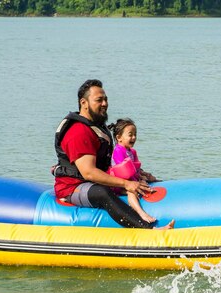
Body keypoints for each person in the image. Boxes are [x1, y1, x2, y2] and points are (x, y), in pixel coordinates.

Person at [53, 79, 173, 229]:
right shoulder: (78, 132)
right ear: (84, 103)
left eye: (105, 99)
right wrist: (127, 184)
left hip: (94, 181)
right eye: (99, 100)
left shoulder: (96, 127)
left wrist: (138, 175)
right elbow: (89, 173)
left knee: (140, 183)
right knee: (102, 193)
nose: (104, 103)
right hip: (72, 187)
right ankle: (148, 230)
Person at [108, 118, 161, 224]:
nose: (134, 137)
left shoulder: (132, 151)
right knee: (131, 192)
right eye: (130, 134)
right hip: (118, 184)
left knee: (151, 179)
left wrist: (143, 176)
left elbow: (135, 169)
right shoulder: (118, 151)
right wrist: (138, 182)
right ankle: (142, 213)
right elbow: (124, 173)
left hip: (130, 180)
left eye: (135, 134)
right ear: (119, 137)